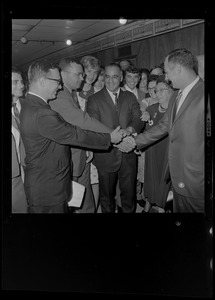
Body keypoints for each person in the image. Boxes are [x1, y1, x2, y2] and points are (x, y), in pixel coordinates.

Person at [19, 60, 124, 213]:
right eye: (57, 82)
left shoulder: (32, 105)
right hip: (48, 189)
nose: (60, 86)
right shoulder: (42, 112)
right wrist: (109, 138)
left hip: (46, 184)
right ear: (42, 81)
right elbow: (75, 134)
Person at [134, 48, 204, 213]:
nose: (166, 77)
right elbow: (164, 126)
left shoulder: (203, 94)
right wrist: (134, 141)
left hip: (197, 181)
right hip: (176, 177)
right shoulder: (176, 95)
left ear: (178, 69)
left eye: (167, 72)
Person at [49, 57, 113, 213]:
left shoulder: (71, 92)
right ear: (63, 74)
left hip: (81, 154)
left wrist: (87, 147)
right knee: (71, 201)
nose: (83, 77)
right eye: (79, 74)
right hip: (68, 158)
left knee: (86, 201)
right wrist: (111, 134)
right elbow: (81, 120)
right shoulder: (59, 95)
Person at [87, 63, 144, 213]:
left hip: (128, 156)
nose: (110, 81)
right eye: (107, 77)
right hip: (106, 155)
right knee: (106, 198)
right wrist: (119, 142)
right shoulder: (94, 99)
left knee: (129, 196)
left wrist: (129, 130)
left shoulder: (129, 96)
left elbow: (138, 118)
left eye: (115, 77)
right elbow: (94, 127)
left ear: (121, 78)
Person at [142, 75, 174, 213]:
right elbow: (142, 129)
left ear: (172, 91)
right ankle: (148, 207)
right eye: (156, 90)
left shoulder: (176, 111)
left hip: (168, 156)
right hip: (152, 154)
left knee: (165, 188)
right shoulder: (151, 110)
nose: (157, 93)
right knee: (152, 185)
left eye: (162, 90)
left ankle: (162, 208)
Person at [121, 65, 146, 208]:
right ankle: (124, 201)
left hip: (141, 137)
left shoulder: (143, 94)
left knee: (138, 170)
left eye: (135, 77)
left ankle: (137, 194)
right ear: (124, 77)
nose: (132, 80)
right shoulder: (119, 92)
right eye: (129, 76)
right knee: (125, 175)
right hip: (125, 138)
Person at [11, 67, 28, 213]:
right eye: (15, 82)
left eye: (21, 81)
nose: (21, 85)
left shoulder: (29, 105)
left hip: (31, 168)